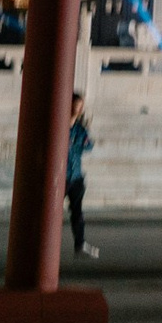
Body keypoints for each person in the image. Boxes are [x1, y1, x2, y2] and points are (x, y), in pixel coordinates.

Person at [66, 95, 99, 259]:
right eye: (76, 105)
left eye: (80, 106)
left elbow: (89, 145)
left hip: (76, 175)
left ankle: (80, 242)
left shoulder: (80, 129)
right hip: (62, 175)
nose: (78, 109)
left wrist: (78, 143)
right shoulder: (62, 127)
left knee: (77, 212)